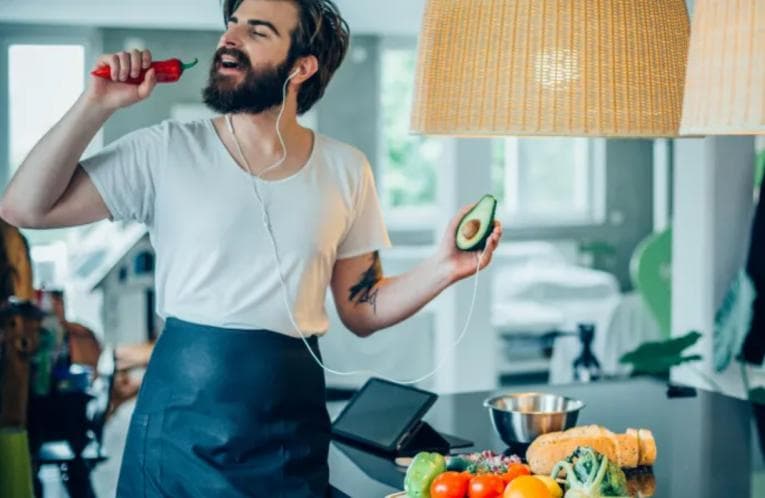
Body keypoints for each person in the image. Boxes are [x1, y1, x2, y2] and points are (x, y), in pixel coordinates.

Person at [0, 0, 503, 496]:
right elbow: (24, 208)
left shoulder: (347, 169)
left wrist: (444, 267)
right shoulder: (165, 149)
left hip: (290, 423)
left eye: (257, 31)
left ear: (301, 66)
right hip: (178, 423)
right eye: (233, 24)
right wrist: (96, 104)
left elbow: (361, 308)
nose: (230, 38)